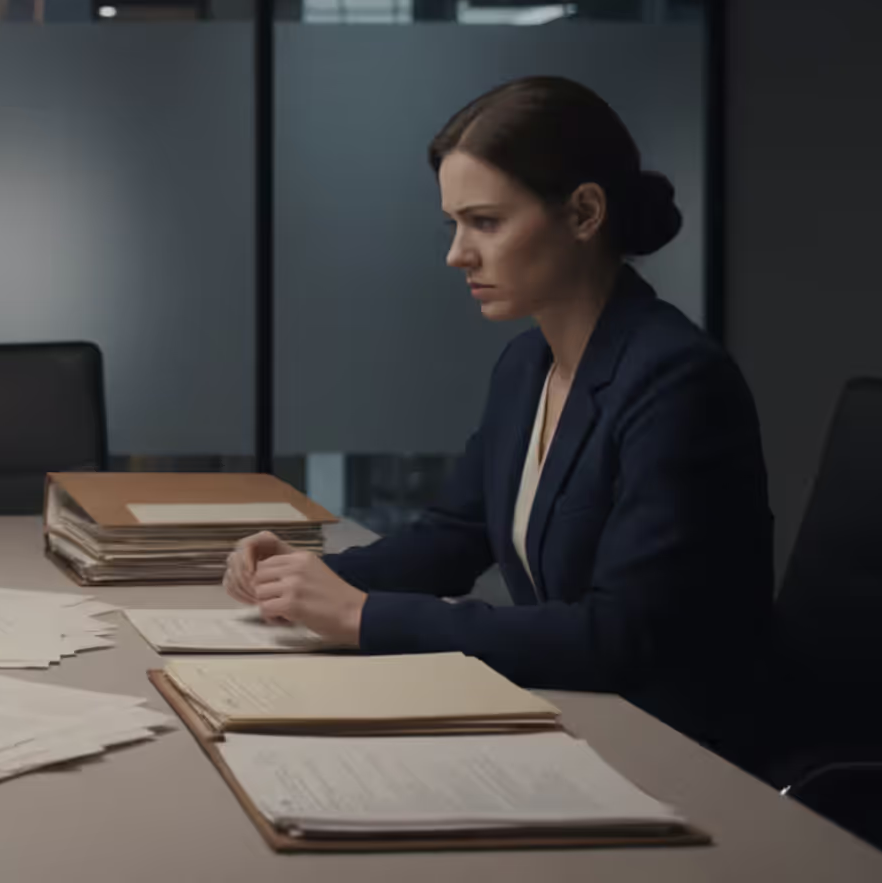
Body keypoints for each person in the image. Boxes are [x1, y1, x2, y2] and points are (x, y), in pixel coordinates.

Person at [224, 75, 771, 760]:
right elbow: (452, 538)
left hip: (680, 755)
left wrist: (362, 616)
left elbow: (620, 635)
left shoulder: (677, 381)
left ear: (583, 213)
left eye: (485, 221)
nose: (458, 253)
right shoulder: (526, 365)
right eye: (454, 224)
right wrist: (310, 575)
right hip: (576, 725)